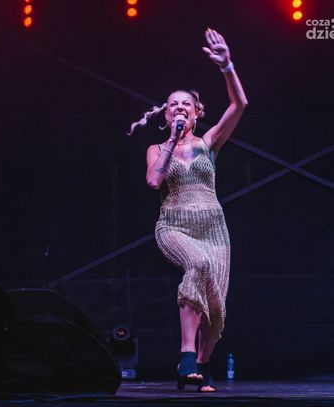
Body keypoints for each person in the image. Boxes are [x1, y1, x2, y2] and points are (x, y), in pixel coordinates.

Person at [129, 28, 248, 392]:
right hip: (174, 225)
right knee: (197, 265)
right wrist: (171, 140)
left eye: (186, 104)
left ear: (197, 113)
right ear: (166, 114)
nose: (179, 108)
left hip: (213, 228)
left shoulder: (209, 142)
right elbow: (154, 181)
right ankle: (186, 355)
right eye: (173, 105)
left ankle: (201, 364)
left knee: (216, 305)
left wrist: (227, 66)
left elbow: (240, 105)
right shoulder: (156, 148)